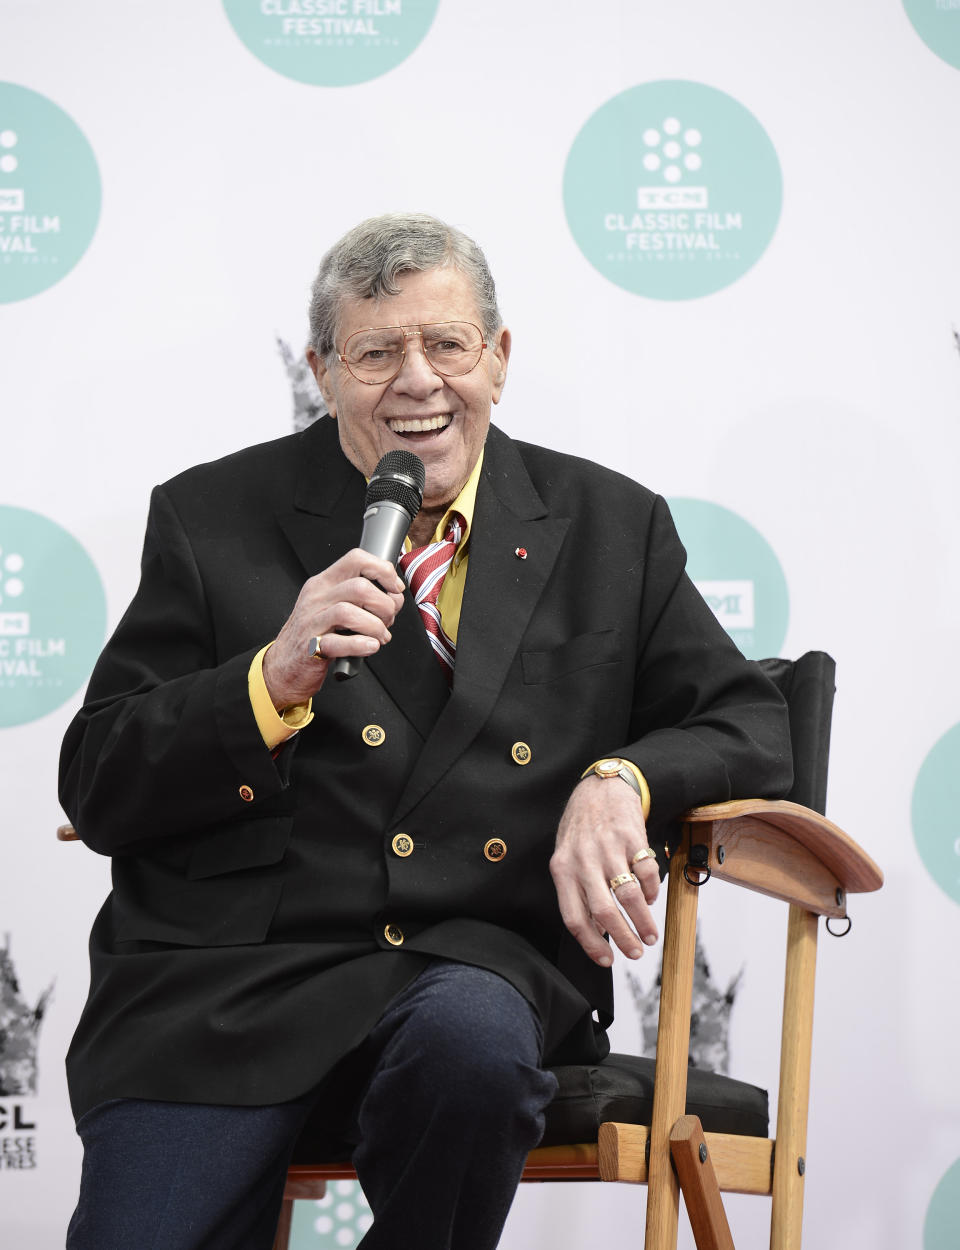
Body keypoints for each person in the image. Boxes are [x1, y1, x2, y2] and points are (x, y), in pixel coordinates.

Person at [59, 212, 792, 1249]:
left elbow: (751, 720)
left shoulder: (610, 525)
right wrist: (268, 680)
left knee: (475, 1044)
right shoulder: (211, 514)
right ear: (323, 368)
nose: (418, 380)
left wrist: (623, 775)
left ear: (498, 356)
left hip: (471, 958)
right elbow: (96, 779)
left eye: (447, 343)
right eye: (376, 351)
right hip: (228, 986)